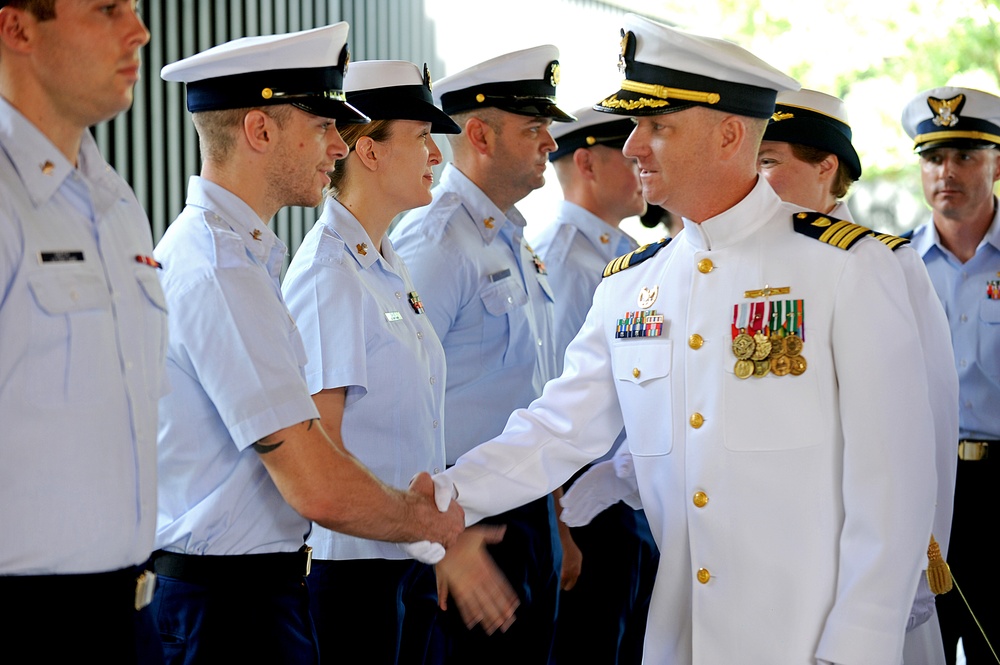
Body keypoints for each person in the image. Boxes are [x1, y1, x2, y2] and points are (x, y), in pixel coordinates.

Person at [432, 14, 938, 664]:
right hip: (679, 640)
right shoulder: (632, 286)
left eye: (657, 126)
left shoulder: (848, 267)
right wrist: (435, 498)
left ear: (730, 134)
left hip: (810, 644)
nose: (634, 145)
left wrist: (859, 644)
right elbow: (555, 431)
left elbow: (892, 486)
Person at [150, 24, 464, 664]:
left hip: (255, 591)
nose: (336, 145)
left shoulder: (246, 256)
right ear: (260, 131)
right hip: (226, 606)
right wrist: (429, 525)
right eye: (322, 124)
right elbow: (313, 481)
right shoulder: (219, 267)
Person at [281, 59, 516, 664]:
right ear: (369, 152)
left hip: (399, 564)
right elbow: (321, 448)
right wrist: (429, 537)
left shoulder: (382, 262)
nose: (437, 155)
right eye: (420, 137)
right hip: (352, 576)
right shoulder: (328, 274)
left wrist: (428, 544)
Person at [758, 88, 959, 664]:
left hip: (863, 559)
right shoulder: (749, 264)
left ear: (826, 166)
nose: (752, 180)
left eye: (768, 162)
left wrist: (917, 568)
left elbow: (930, 428)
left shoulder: (886, 261)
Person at [390, 44, 575, 663]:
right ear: (480, 135)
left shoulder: (509, 234)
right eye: (534, 128)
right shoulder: (436, 241)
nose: (551, 142)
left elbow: (529, 394)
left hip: (525, 517)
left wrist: (554, 521)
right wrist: (443, 543)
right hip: (465, 525)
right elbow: (398, 406)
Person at [0, 1, 165, 661]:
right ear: (17, 29)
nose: (139, 30)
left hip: (131, 617)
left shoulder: (118, 203)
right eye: (106, 9)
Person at [530, 106, 658, 664]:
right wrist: (562, 525)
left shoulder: (626, 255)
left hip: (631, 492)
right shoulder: (562, 260)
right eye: (625, 153)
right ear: (585, 162)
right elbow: (551, 401)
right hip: (587, 501)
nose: (640, 161)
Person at [902, 85, 1000, 665]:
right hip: (925, 488)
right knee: (919, 645)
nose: (947, 172)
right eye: (934, 158)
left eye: (965, 156)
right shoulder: (892, 267)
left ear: (996, 163)